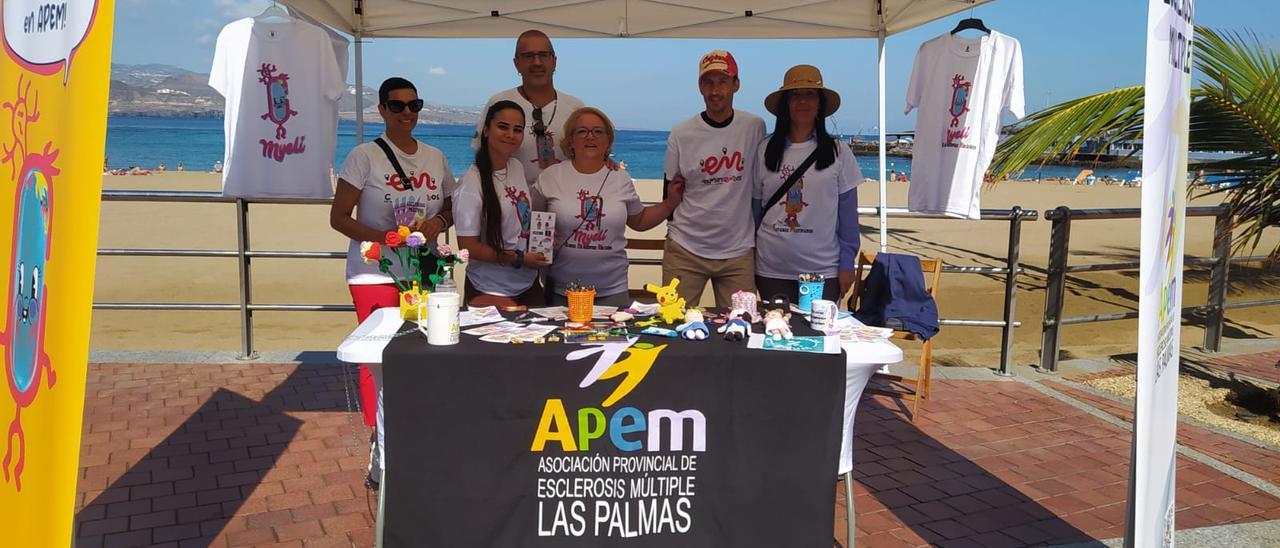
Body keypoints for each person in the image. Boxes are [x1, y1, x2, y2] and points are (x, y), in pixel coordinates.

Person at [329, 77, 456, 485]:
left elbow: (452, 203)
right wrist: (383, 238)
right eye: (397, 106)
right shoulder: (364, 157)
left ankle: (415, 433)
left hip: (424, 272)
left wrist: (437, 221)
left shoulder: (435, 157)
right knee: (378, 361)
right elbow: (339, 217)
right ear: (382, 110)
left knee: (426, 355)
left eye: (414, 105)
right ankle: (378, 447)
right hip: (374, 274)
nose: (407, 114)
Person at [533, 107, 683, 307]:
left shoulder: (620, 178)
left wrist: (670, 203)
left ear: (608, 140)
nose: (590, 137)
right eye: (582, 131)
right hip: (561, 290)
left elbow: (638, 221)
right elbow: (535, 222)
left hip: (612, 290)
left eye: (597, 131)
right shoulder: (550, 177)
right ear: (570, 140)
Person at [660, 50, 766, 308]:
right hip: (685, 249)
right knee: (672, 326)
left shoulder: (754, 127)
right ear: (700, 87)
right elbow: (669, 193)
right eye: (708, 82)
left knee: (740, 328)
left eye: (723, 81)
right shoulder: (681, 134)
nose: (715, 90)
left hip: (738, 252)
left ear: (736, 84)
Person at [752, 65, 863, 305]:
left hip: (822, 271)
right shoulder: (764, 150)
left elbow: (848, 217)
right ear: (785, 104)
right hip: (771, 270)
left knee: (817, 338)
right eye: (795, 95)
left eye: (810, 94)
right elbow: (754, 211)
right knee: (775, 334)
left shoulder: (839, 151)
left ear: (820, 104)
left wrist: (847, 264)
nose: (802, 101)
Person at [454, 100, 551, 307]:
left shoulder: (515, 167)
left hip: (528, 284)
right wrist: (518, 259)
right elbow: (468, 247)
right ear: (486, 130)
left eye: (517, 129)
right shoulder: (471, 183)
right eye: (503, 127)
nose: (510, 135)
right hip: (489, 289)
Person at [473, 30, 584, 186]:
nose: (536, 62)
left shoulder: (575, 108)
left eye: (543, 55)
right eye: (528, 56)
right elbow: (482, 155)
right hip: (510, 204)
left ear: (554, 61)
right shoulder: (499, 102)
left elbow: (589, 156)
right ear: (516, 63)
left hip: (562, 203)